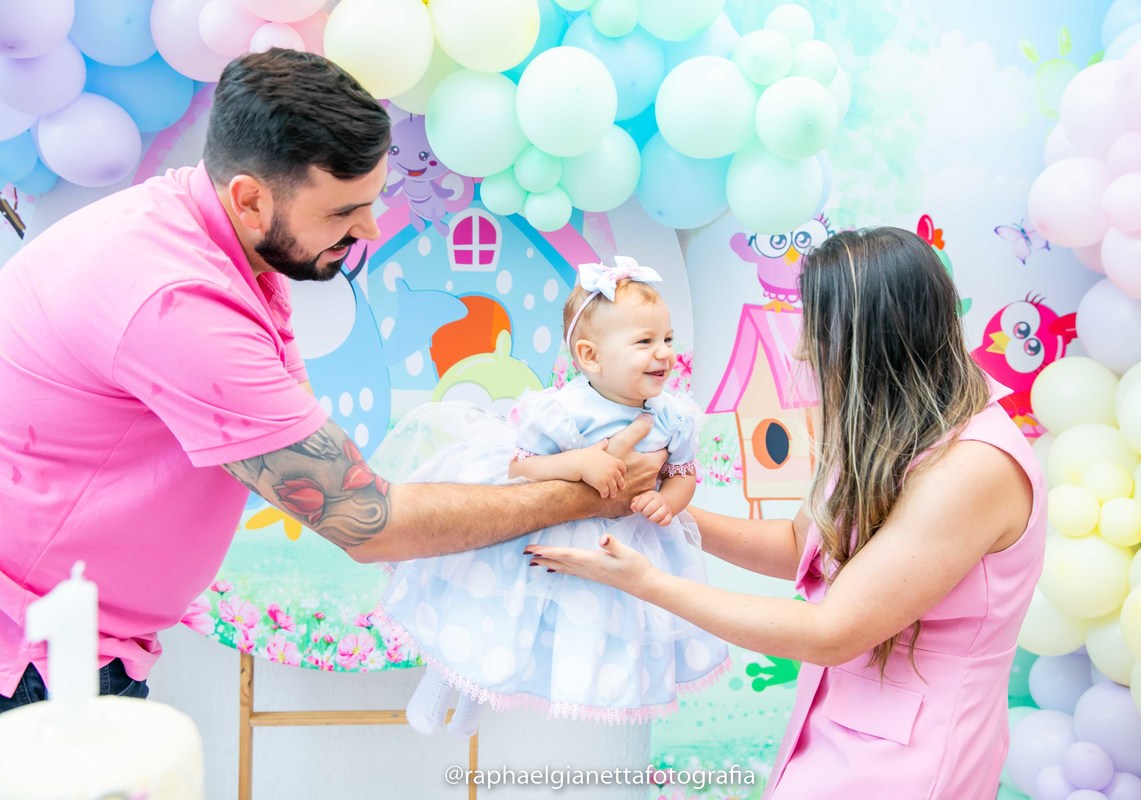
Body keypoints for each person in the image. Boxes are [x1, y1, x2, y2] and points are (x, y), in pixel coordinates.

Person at [0, 49, 664, 712]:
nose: (369, 229)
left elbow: (331, 462)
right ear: (251, 200)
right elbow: (369, 523)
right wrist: (584, 497)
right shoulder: (180, 303)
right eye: (345, 210)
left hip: (72, 634)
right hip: (33, 650)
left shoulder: (204, 237)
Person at [525, 228, 1047, 799]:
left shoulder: (975, 466)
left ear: (876, 337)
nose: (802, 352)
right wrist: (657, 511)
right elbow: (802, 548)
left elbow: (831, 631)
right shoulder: (885, 428)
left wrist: (646, 582)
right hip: (833, 732)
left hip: (912, 761)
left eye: (817, 332)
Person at [369, 258, 729, 737]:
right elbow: (522, 466)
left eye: (667, 338)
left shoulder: (673, 417)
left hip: (612, 541)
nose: (663, 353)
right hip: (533, 526)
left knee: (535, 632)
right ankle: (435, 692)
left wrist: (670, 502)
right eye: (645, 342)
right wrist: (579, 464)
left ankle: (477, 705)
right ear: (591, 356)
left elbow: (682, 473)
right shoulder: (564, 409)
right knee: (489, 611)